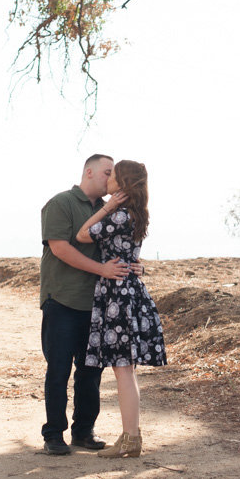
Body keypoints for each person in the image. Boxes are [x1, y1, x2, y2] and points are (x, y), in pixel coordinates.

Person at [40, 154, 134, 456]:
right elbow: (60, 249)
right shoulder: (61, 203)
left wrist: (134, 267)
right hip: (63, 299)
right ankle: (54, 434)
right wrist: (102, 270)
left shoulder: (113, 209)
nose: (111, 179)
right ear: (90, 172)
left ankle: (83, 432)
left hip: (98, 304)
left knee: (91, 371)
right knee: (58, 370)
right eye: (108, 172)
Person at [76, 159, 166, 458]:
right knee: (126, 371)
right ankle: (131, 436)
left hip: (117, 295)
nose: (108, 179)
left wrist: (105, 208)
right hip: (127, 291)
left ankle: (131, 438)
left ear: (122, 185)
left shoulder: (119, 215)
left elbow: (82, 235)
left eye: (113, 175)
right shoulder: (136, 214)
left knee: (123, 371)